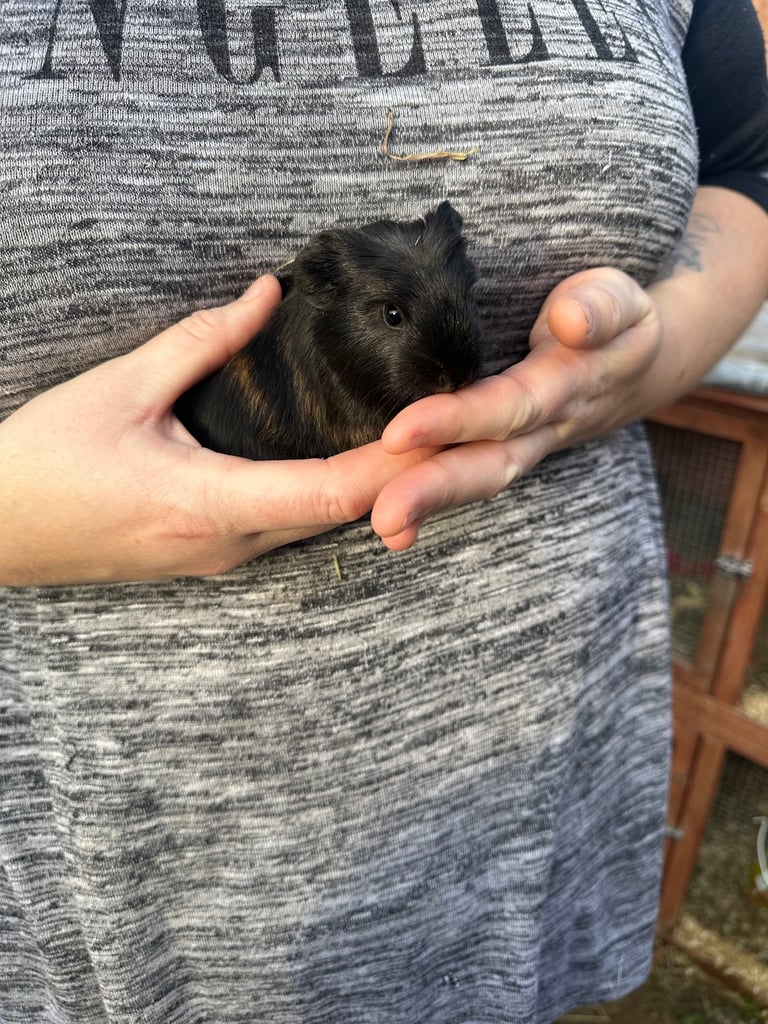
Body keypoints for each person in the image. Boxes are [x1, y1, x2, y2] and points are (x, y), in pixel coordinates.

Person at [1, 0, 767, 1020]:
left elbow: (745, 172)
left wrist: (648, 355)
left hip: (536, 753)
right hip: (118, 838)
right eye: (394, 317)